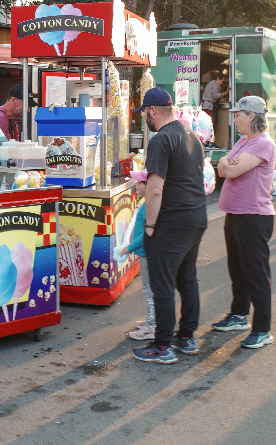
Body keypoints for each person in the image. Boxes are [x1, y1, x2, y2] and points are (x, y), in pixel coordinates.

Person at [132, 87, 208, 365]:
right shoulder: (191, 136)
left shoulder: (161, 140)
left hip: (171, 222)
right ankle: (186, 336)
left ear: (153, 110)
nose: (146, 120)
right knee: (187, 280)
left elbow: (154, 189)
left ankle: (162, 345)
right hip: (196, 217)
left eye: (146, 114)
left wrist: (150, 226)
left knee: (162, 285)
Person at [213, 96, 276, 349]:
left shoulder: (263, 144)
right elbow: (222, 166)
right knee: (237, 269)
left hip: (254, 216)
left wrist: (227, 164)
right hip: (236, 213)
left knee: (256, 274)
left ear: (251, 116)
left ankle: (262, 329)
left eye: (238, 114)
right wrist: (226, 163)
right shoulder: (244, 140)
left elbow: (230, 170)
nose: (234, 117)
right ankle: (239, 315)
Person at [114, 170, 156, 341]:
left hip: (148, 252)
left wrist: (128, 248)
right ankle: (152, 321)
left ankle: (153, 327)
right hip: (149, 252)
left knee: (149, 290)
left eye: (139, 183)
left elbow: (147, 233)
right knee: (151, 289)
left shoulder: (149, 205)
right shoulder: (148, 203)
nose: (135, 185)